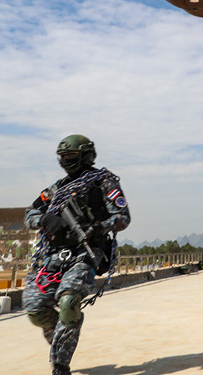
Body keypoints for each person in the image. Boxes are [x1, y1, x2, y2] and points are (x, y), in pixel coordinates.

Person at [23, 135, 131, 375]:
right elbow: (29, 214)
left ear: (85, 156)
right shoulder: (55, 190)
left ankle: (60, 365)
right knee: (35, 309)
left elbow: (123, 217)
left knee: (69, 303)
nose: (66, 161)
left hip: (85, 252)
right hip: (53, 256)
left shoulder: (103, 182)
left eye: (71, 156)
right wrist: (45, 219)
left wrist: (100, 227)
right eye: (63, 157)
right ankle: (64, 338)